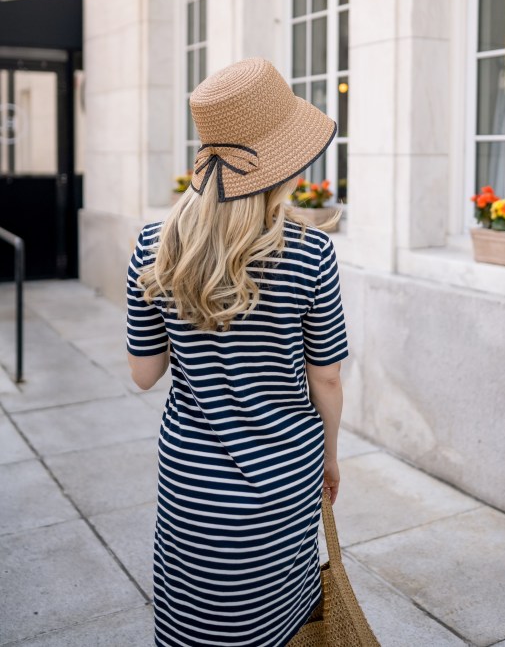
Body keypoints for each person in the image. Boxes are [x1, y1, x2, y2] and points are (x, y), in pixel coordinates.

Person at [126, 56, 349, 647]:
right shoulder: (311, 254)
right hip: (283, 480)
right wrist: (329, 459)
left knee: (194, 624)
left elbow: (144, 374)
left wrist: (194, 310)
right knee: (279, 626)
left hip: (191, 485)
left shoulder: (154, 248)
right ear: (287, 161)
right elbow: (325, 379)